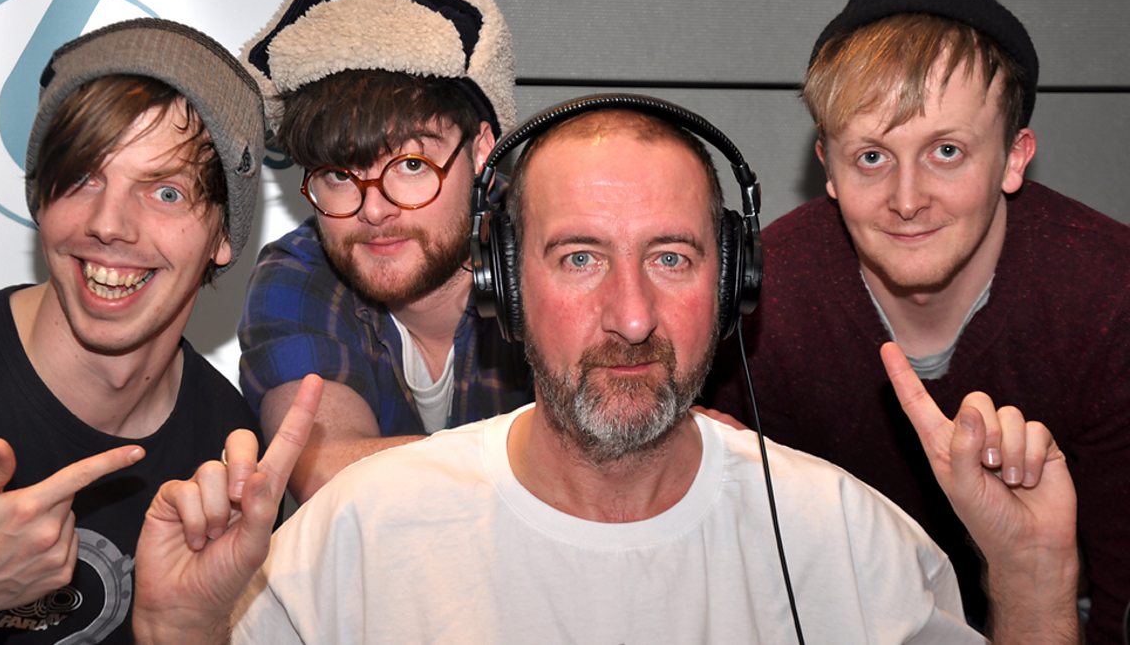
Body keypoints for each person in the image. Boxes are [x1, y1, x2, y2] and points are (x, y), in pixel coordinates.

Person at [131, 102, 1077, 643]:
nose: (631, 316)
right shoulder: (355, 538)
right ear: (503, 286)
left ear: (733, 282)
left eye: (671, 257)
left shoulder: (850, 543)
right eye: (579, 257)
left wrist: (1033, 580)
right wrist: (179, 634)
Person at [700, 0, 1129, 641]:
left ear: (1013, 158)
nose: (907, 199)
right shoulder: (766, 302)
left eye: (946, 152)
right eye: (872, 157)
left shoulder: (1110, 298)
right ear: (829, 168)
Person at [0, 19, 266, 643]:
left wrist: (181, 631)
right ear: (41, 199)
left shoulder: (231, 458)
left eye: (166, 192)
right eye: (83, 177)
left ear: (223, 236)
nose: (108, 223)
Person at [236, 0, 530, 503]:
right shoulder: (298, 273)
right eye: (338, 175)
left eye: (412, 165)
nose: (373, 209)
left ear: (482, 151)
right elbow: (331, 476)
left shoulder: (555, 252)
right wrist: (544, 460)